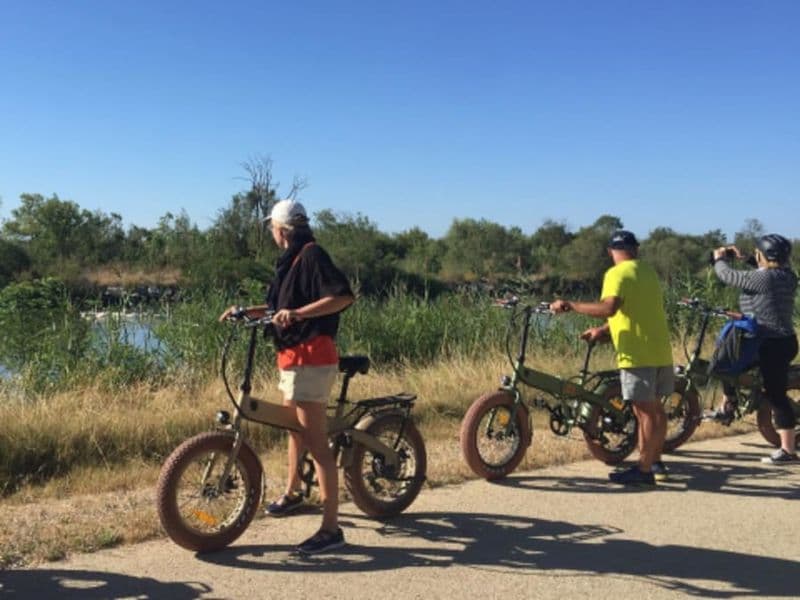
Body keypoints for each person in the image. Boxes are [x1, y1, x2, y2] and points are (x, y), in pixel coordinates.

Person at [219, 199, 355, 554]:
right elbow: (280, 307)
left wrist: (297, 313)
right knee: (294, 430)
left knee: (316, 442)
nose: (271, 234)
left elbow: (341, 297)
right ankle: (294, 493)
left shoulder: (311, 255)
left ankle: (331, 529)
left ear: (282, 230)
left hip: (312, 357)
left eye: (272, 228)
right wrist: (247, 311)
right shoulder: (290, 261)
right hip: (292, 357)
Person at [550, 230, 673, 485]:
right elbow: (636, 312)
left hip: (638, 353)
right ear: (636, 249)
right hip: (660, 350)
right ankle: (654, 460)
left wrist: (571, 306)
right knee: (655, 412)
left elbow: (609, 308)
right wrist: (604, 331)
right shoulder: (648, 272)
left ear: (610, 252)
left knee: (646, 412)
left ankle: (644, 470)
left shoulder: (616, 273)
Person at [708, 234, 798, 464]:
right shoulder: (788, 276)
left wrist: (719, 259)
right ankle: (729, 403)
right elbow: (765, 268)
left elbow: (727, 275)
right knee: (725, 362)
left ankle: (788, 450)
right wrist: (745, 257)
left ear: (763, 256)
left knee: (776, 394)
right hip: (776, 340)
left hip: (772, 343)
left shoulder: (764, 279)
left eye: (757, 253)